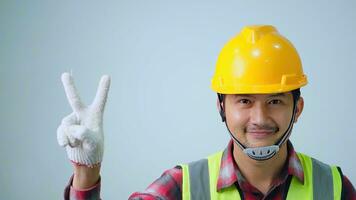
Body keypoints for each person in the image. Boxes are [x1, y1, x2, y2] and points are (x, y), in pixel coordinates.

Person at [57, 25, 355, 200]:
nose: (260, 118)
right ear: (221, 107)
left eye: (275, 101)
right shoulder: (182, 186)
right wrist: (86, 172)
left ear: (297, 108)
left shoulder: (334, 188)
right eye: (245, 101)